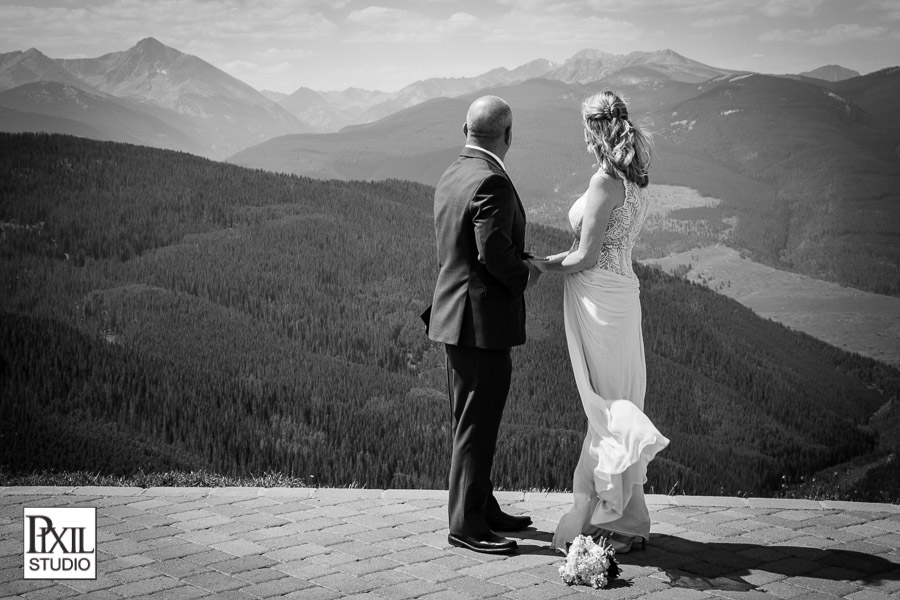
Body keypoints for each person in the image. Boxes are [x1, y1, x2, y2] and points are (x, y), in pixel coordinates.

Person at [531, 91, 669, 555]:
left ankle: (610, 520)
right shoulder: (637, 180)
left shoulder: (604, 181)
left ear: (593, 130)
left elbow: (585, 256)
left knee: (605, 406)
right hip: (622, 296)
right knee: (618, 396)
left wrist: (539, 265)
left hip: (598, 300)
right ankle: (624, 517)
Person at [424, 95, 542, 555]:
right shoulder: (492, 181)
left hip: (455, 319)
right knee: (476, 423)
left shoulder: (455, 171)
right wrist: (527, 273)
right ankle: (466, 525)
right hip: (479, 326)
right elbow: (493, 252)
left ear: (465, 130)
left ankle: (482, 506)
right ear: (508, 135)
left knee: (471, 420)